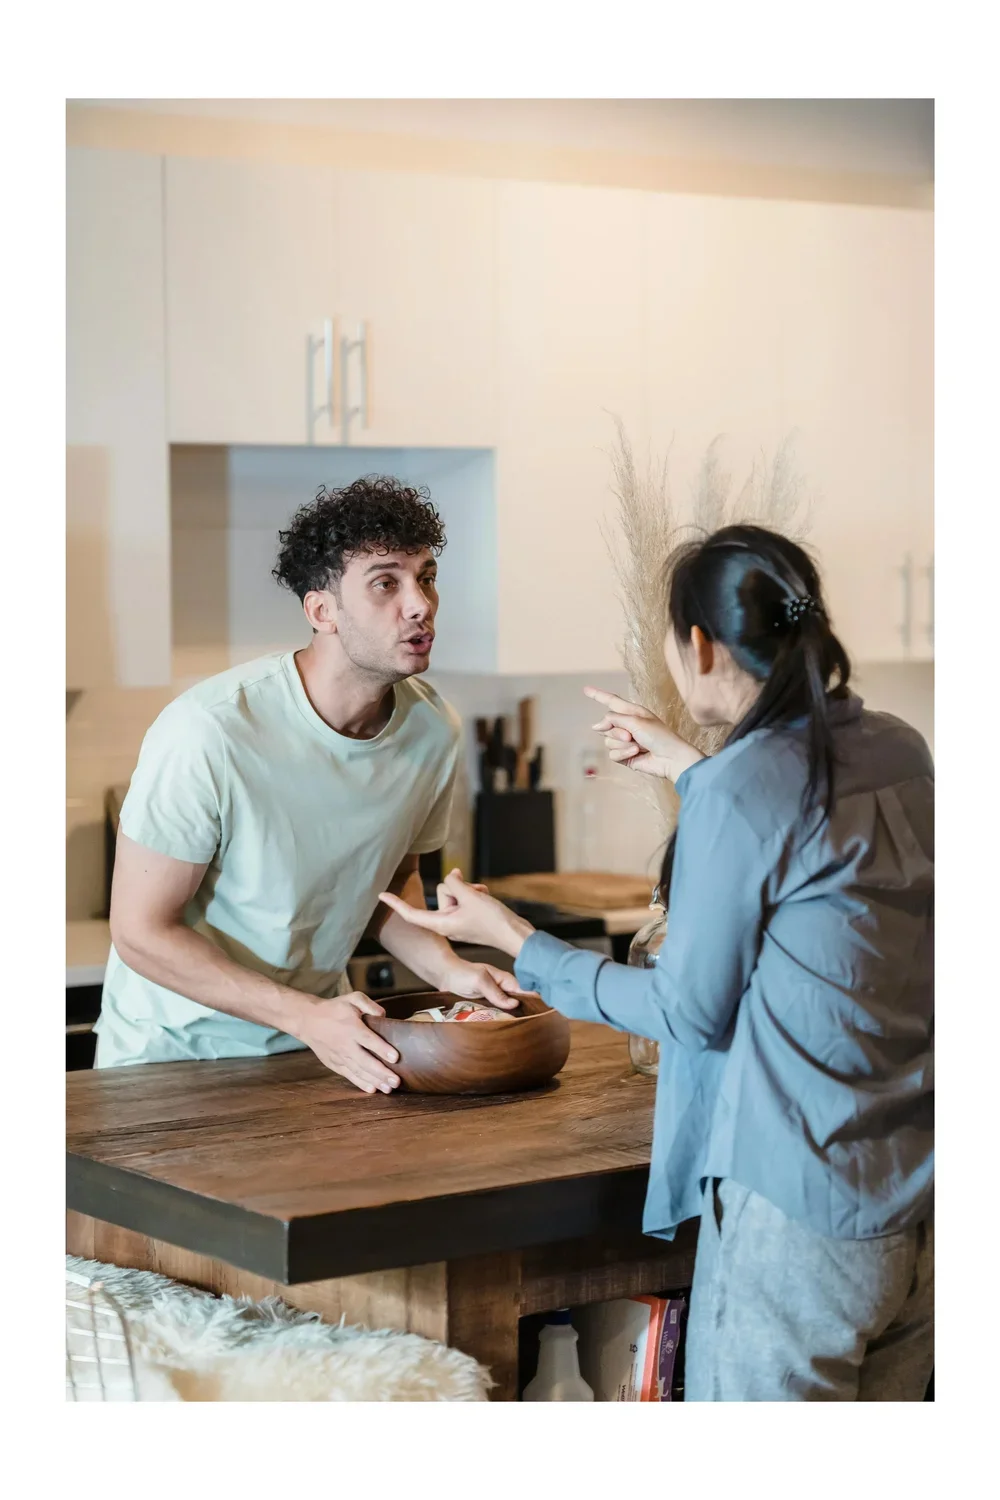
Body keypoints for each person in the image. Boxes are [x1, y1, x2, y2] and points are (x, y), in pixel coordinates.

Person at [380, 523, 934, 1401]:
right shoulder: (900, 749)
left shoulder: (745, 789)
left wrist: (517, 941)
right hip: (915, 1207)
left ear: (701, 645)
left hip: (796, 1214)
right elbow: (807, 850)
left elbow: (687, 1011)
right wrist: (693, 769)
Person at [97, 475, 531, 1090]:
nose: (420, 604)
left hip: (320, 1049)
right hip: (170, 1059)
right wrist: (304, 1016)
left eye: (426, 577)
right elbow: (141, 933)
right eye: (386, 583)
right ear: (321, 610)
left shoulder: (434, 729)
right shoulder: (210, 730)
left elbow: (387, 885)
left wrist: (453, 970)